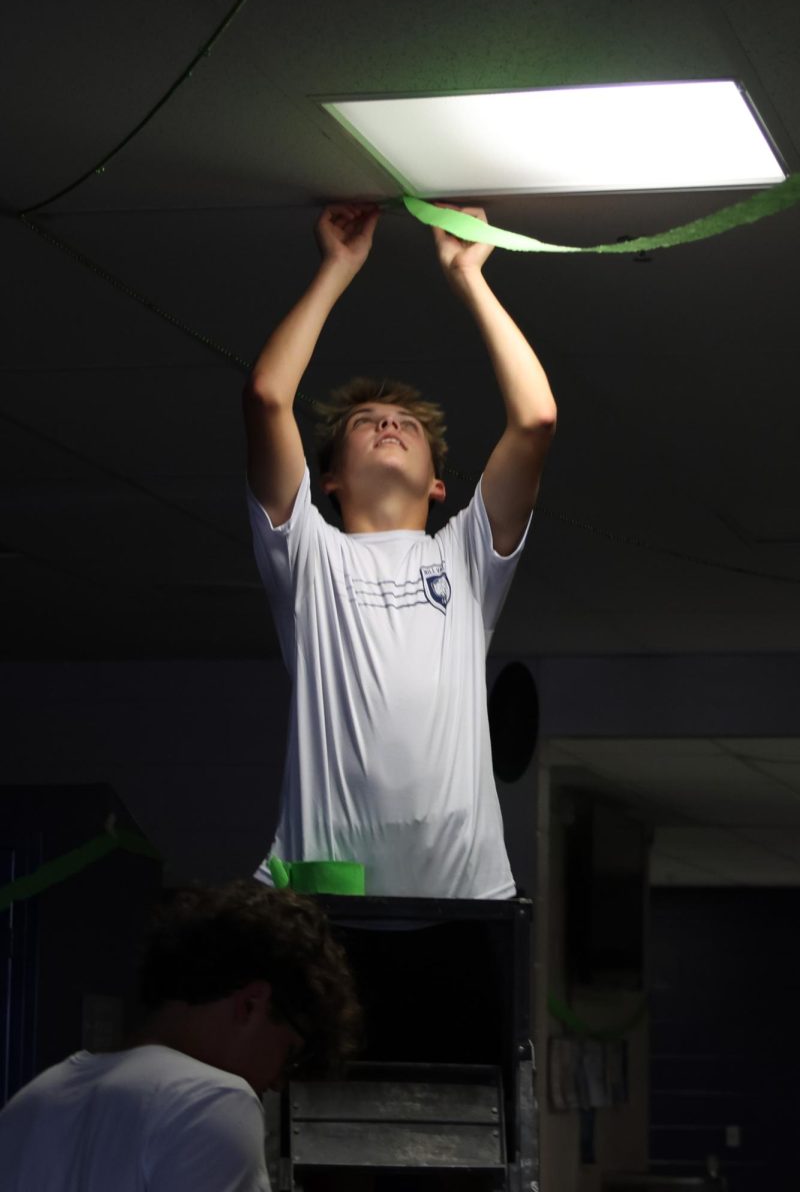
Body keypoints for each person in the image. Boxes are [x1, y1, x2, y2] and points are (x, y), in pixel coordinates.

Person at [244, 202, 557, 899]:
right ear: (327, 477)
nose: (388, 422)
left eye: (405, 423)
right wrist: (337, 267)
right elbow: (268, 397)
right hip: (324, 908)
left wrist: (467, 276)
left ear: (440, 484)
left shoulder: (467, 559)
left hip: (466, 906)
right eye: (365, 422)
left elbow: (536, 418)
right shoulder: (308, 556)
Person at [0, 881, 361, 1192]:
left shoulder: (32, 1102)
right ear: (252, 1005)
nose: (278, 1082)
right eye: (289, 1056)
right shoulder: (212, 1102)